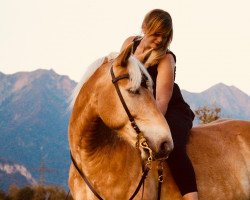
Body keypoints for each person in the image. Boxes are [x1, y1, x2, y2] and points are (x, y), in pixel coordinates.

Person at [121, 9, 199, 200]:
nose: (159, 40)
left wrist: (145, 126)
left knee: (172, 148)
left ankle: (191, 197)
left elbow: (162, 102)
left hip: (170, 111)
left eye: (164, 36)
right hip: (140, 108)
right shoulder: (129, 43)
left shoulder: (166, 58)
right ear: (144, 27)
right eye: (156, 34)